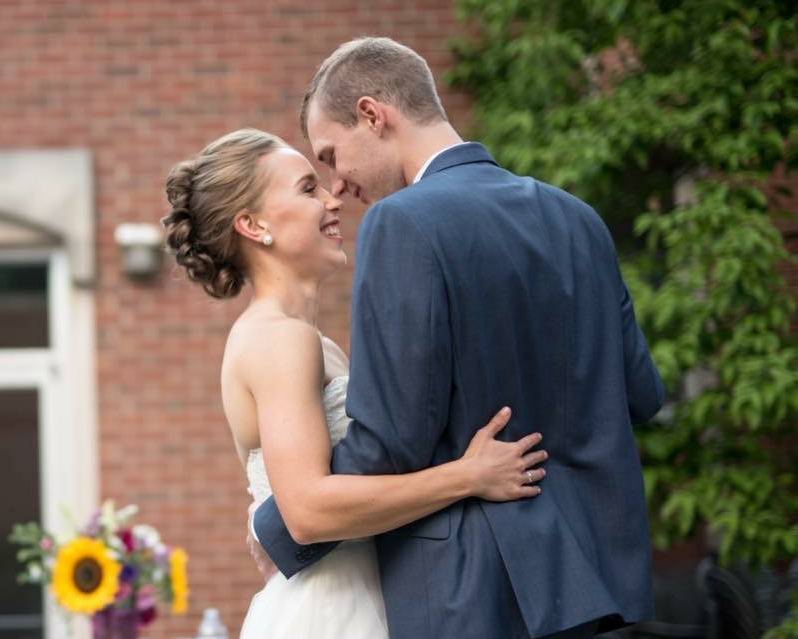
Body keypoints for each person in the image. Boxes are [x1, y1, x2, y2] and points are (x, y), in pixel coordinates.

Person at [251, 37, 665, 639]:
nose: (337, 187)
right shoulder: (578, 217)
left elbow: (390, 439)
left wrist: (285, 525)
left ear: (373, 114)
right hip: (602, 578)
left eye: (332, 156)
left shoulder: (403, 223)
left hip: (472, 591)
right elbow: (642, 394)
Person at [162, 128, 549, 638]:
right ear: (253, 225)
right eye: (306, 189)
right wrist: (469, 476)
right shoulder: (280, 341)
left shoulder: (306, 342)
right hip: (332, 613)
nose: (332, 200)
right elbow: (305, 511)